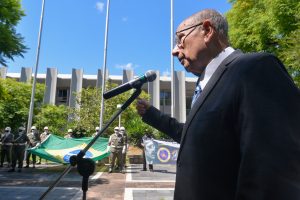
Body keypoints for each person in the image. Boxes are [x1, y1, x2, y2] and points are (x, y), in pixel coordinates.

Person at [136, 9, 300, 200]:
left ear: (207, 30)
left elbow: (274, 174)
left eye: (180, 38)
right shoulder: (205, 85)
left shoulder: (256, 68)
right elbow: (195, 138)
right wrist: (152, 114)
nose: (174, 50)